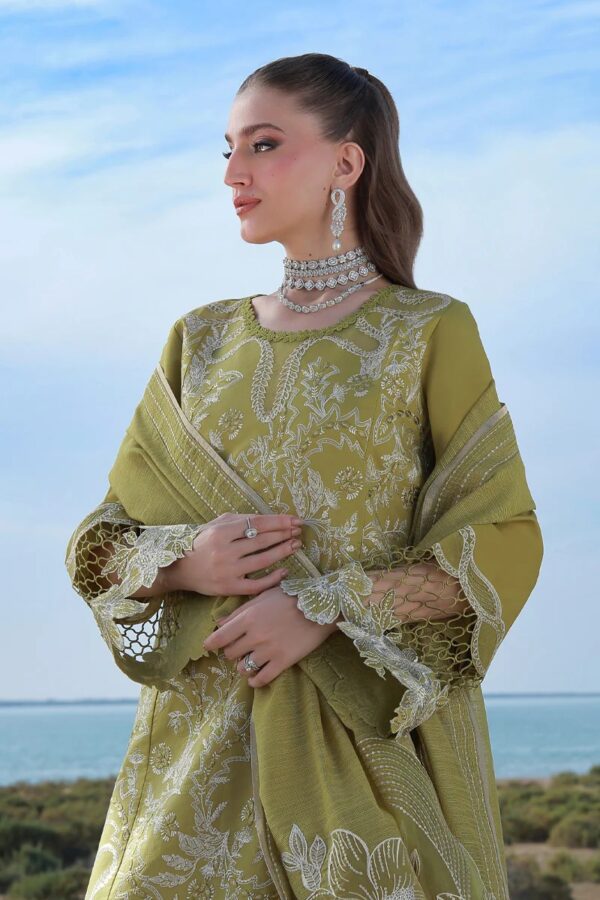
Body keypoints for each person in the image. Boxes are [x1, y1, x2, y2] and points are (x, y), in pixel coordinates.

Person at [64, 52, 544, 900]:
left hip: (366, 754)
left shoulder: (429, 332)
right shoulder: (199, 341)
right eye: (228, 150)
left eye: (264, 145)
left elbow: (500, 541)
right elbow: (102, 544)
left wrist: (324, 607)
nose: (233, 174)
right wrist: (185, 563)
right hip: (197, 755)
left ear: (346, 162)